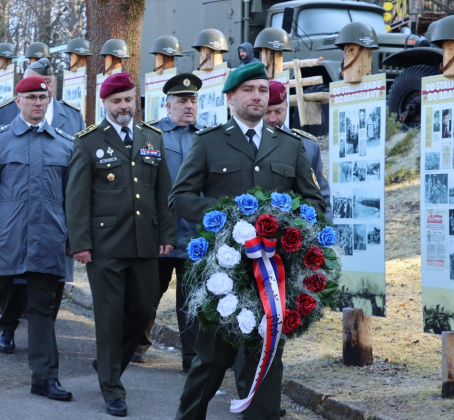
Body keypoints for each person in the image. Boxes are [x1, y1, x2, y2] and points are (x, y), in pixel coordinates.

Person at [169, 62, 325, 420]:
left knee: (267, 359)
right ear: (230, 97)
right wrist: (232, 216)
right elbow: (181, 198)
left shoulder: (289, 145)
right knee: (211, 361)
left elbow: (314, 201)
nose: (258, 96)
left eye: (262, 90)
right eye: (249, 90)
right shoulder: (208, 142)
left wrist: (289, 226)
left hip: (274, 276)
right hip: (224, 274)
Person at [66, 73, 177, 417]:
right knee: (110, 316)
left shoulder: (151, 138)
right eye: (117, 101)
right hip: (105, 245)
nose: (124, 106)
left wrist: (167, 235)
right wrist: (80, 243)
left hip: (145, 242)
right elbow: (77, 197)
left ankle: (109, 362)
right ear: (105, 104)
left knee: (144, 310)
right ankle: (113, 387)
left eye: (129, 99)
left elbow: (163, 191)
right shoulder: (88, 141)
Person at [0, 76, 74, 402]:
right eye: (31, 97)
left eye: (43, 97)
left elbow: (73, 200)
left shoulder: (65, 144)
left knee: (42, 308)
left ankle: (44, 376)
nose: (38, 103)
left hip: (48, 238)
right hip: (5, 236)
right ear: (18, 102)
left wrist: (75, 239)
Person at [0, 57, 85, 353]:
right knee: (15, 281)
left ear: (53, 85)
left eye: (47, 85)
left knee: (50, 283)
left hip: (52, 217)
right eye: (33, 86)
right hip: (17, 217)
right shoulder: (5, 112)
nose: (41, 95)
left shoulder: (72, 115)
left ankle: (42, 341)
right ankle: (6, 328)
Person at [131, 73, 204, 371]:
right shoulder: (151, 134)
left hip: (196, 235)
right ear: (168, 104)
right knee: (147, 296)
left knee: (192, 301)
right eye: (183, 100)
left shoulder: (206, 136)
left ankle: (192, 357)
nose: (189, 106)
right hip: (160, 231)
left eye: (193, 100)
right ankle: (134, 344)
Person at [264, 80, 332, 222]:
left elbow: (322, 195)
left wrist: (325, 230)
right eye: (267, 112)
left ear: (286, 107)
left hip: (296, 229)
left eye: (278, 111)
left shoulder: (308, 145)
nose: (272, 118)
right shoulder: (249, 142)